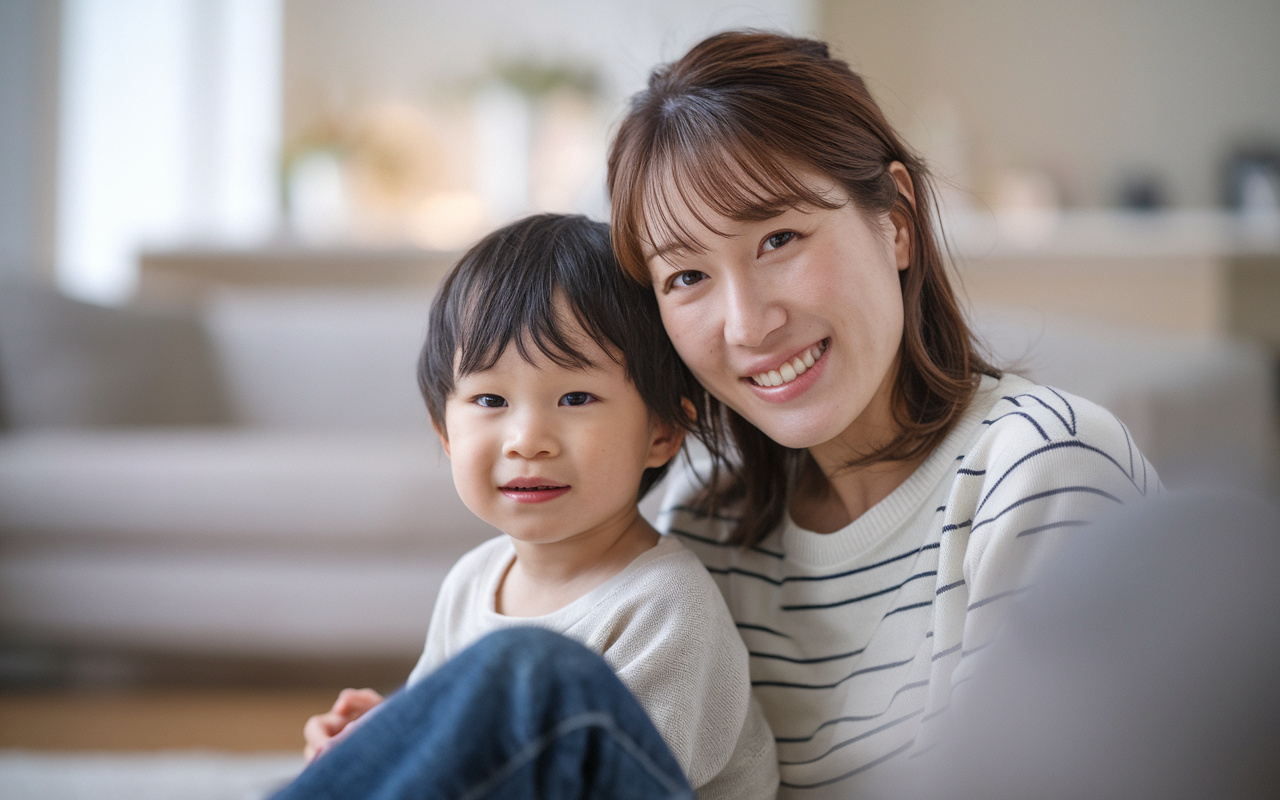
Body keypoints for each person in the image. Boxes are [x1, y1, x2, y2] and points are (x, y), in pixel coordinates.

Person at [279, 30, 1162, 800]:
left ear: (894, 220)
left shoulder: (1041, 470)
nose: (747, 325)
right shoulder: (703, 514)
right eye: (687, 277)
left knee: (537, 679)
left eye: (778, 240)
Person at [283, 213, 777, 799]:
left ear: (662, 431)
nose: (527, 439)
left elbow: (596, 778)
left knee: (530, 667)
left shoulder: (666, 604)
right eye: (490, 399)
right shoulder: (473, 582)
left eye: (575, 397)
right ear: (445, 433)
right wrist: (383, 735)